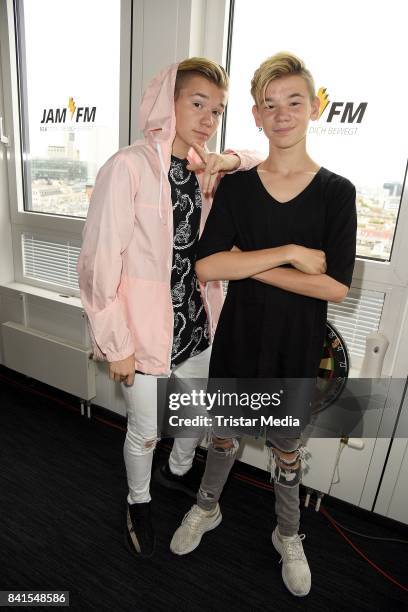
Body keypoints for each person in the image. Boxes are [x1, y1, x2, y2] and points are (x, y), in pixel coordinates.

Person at [169, 52, 357, 597]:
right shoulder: (240, 187)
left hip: (295, 348)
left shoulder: (336, 193)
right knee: (222, 434)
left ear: (313, 107)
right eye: (269, 105)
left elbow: (335, 286)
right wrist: (291, 253)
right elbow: (207, 264)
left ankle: (289, 533)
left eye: (293, 101)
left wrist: (253, 266)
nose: (282, 114)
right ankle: (207, 507)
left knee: (286, 446)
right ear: (255, 114)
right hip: (240, 339)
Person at [77, 57, 264, 559]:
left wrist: (227, 160)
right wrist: (115, 343)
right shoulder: (129, 166)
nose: (207, 118)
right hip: (141, 332)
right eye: (197, 103)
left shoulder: (205, 170)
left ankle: (177, 471)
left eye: (217, 110)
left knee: (197, 410)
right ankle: (138, 500)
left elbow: (259, 158)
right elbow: (98, 264)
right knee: (145, 430)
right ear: (170, 102)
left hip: (196, 323)